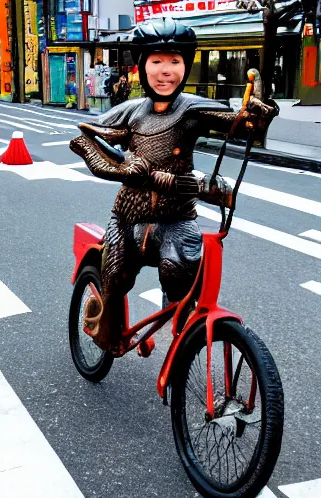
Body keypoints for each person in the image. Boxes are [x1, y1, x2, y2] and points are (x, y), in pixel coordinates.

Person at [69, 18, 278, 355]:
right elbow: (84, 139)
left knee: (179, 271)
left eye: (175, 62)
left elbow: (240, 124)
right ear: (142, 65)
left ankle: (182, 343)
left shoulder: (192, 109)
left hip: (176, 217)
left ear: (186, 66)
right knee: (116, 276)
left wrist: (257, 115)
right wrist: (121, 168)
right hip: (128, 218)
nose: (166, 71)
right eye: (157, 61)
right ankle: (104, 329)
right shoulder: (131, 112)